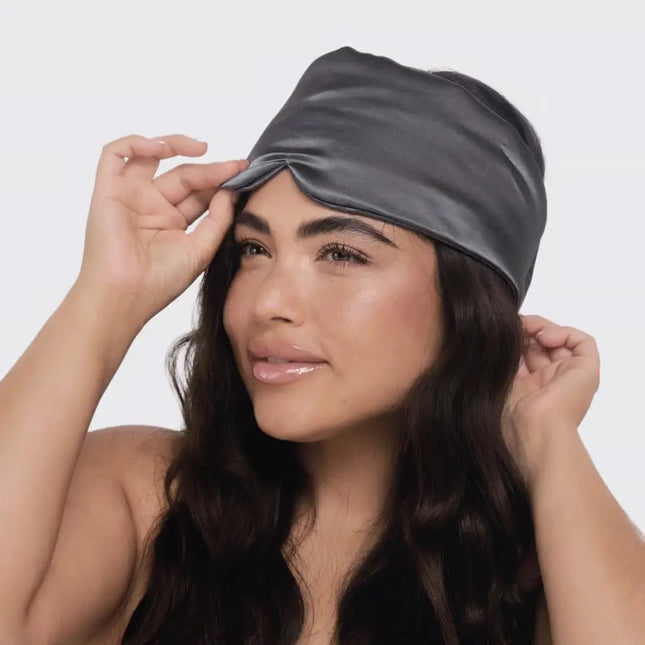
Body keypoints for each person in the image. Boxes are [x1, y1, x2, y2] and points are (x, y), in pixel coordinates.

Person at [4, 51, 635, 645]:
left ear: (466, 302)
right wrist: (106, 295)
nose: (268, 301)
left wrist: (547, 435)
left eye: (341, 253)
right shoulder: (148, 499)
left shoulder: (543, 565)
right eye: (254, 249)